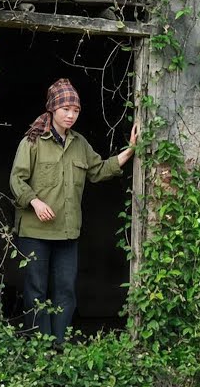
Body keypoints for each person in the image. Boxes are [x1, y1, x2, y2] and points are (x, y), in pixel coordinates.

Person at [9, 78, 138, 347]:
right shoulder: (32, 142)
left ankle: (59, 345)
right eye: (65, 109)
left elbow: (99, 170)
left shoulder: (79, 144)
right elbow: (16, 180)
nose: (71, 115)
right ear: (52, 109)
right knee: (36, 289)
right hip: (35, 232)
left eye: (76, 110)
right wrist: (35, 202)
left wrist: (130, 151)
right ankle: (41, 346)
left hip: (67, 232)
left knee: (66, 290)